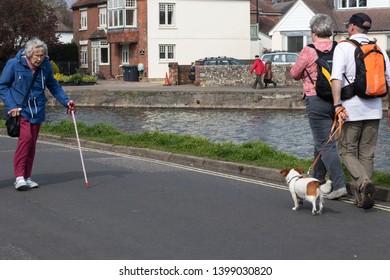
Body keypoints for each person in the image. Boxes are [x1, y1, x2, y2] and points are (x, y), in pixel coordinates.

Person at [0, 37, 76, 191]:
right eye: (37, 56)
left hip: (38, 109)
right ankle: (19, 177)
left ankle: (27, 177)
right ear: (29, 54)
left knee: (32, 144)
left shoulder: (45, 65)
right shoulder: (14, 64)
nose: (40, 59)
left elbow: (53, 85)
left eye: (42, 55)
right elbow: (3, 86)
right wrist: (11, 106)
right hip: (21, 110)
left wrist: (66, 101)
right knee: (25, 140)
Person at [331, 13, 390, 209]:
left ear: (352, 28)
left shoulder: (344, 47)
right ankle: (363, 196)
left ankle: (364, 183)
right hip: (374, 109)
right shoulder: (378, 48)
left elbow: (336, 78)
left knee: (346, 150)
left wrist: (337, 105)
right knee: (367, 154)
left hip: (351, 109)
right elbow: (388, 79)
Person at [290, 13, 347, 199]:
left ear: (314, 32)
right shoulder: (339, 47)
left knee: (325, 144)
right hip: (337, 99)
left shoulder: (309, 50)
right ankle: (319, 181)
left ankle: (339, 185)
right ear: (330, 31)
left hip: (316, 99)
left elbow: (294, 73)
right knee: (321, 141)